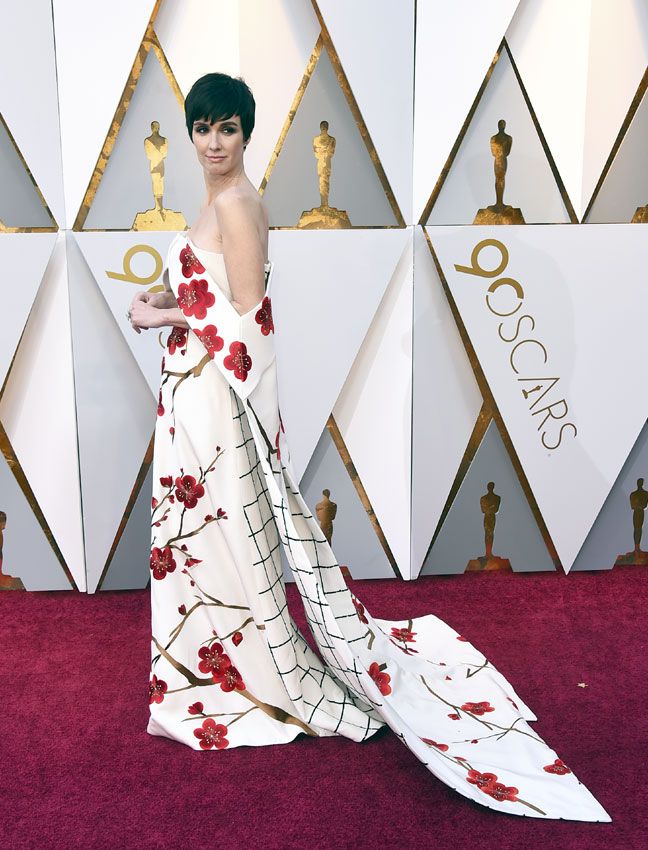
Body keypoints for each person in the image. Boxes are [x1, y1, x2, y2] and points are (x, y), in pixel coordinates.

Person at [127, 72, 609, 822]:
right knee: (200, 541)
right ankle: (211, 673)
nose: (213, 142)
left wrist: (162, 318)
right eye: (202, 127)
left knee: (220, 540)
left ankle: (245, 680)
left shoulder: (240, 204)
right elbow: (210, 291)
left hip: (217, 400)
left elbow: (249, 320)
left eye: (227, 128)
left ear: (247, 134)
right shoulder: (213, 201)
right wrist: (166, 300)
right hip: (190, 395)